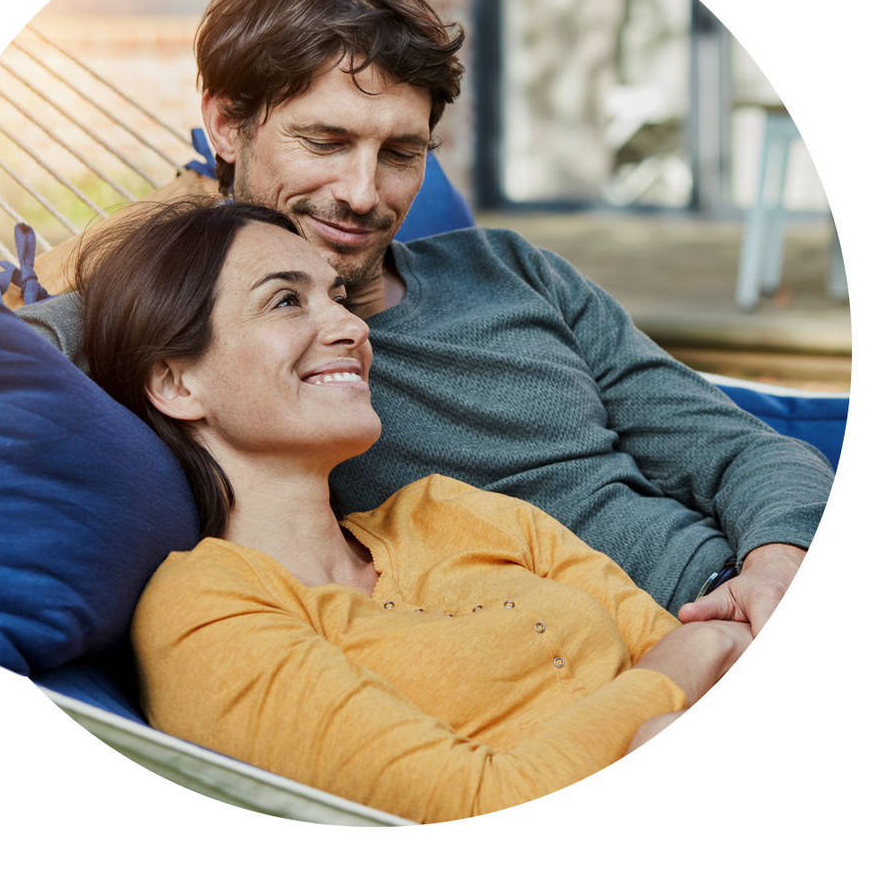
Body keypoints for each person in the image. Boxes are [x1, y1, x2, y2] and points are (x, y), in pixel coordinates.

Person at [19, 0, 834, 629]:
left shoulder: (510, 270)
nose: (364, 195)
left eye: (401, 154)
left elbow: (737, 449)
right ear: (227, 123)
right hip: (624, 658)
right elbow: (16, 343)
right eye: (326, 141)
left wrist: (775, 569)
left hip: (752, 591)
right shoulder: (215, 336)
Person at [76, 197, 753, 823]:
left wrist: (690, 663)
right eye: (286, 301)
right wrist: (675, 677)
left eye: (338, 298)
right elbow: (481, 811)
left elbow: (713, 668)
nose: (348, 326)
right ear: (175, 381)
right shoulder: (206, 608)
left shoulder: (448, 510)